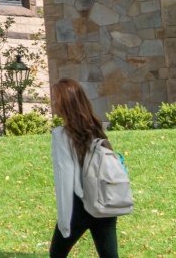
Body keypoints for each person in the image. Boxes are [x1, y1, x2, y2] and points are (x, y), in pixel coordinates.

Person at [50, 79, 120, 258]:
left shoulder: (61, 135)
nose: (54, 103)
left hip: (79, 205)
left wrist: (64, 220)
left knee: (57, 254)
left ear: (65, 103)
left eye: (56, 99)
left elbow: (65, 176)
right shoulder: (95, 126)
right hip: (104, 199)